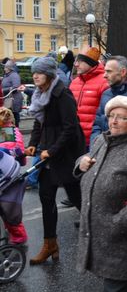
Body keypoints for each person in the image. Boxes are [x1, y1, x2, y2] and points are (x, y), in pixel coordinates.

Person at [75, 96, 127, 291]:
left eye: (121, 117)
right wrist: (81, 163)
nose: (113, 121)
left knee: (119, 282)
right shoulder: (102, 140)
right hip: (101, 233)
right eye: (111, 116)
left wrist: (117, 223)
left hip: (122, 238)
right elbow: (87, 161)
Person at [26, 57, 86, 265]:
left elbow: (70, 129)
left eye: (39, 72)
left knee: (78, 198)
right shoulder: (40, 94)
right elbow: (39, 122)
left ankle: (103, 237)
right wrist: (33, 143)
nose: (35, 75)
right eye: (34, 72)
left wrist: (51, 150)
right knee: (46, 197)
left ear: (50, 75)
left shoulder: (63, 94)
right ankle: (50, 244)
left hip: (66, 154)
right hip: (49, 152)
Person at [69, 47, 109, 148]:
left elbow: (104, 116)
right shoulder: (74, 83)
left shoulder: (104, 83)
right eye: (76, 61)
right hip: (73, 140)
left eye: (80, 61)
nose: (76, 64)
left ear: (90, 63)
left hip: (92, 141)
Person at [0, 107, 27, 246]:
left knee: (9, 207)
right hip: (9, 171)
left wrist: (5, 151)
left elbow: (12, 150)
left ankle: (19, 235)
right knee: (8, 206)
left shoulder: (7, 132)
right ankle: (13, 229)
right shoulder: (11, 130)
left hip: (8, 173)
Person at [1, 60, 23, 127]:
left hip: (14, 100)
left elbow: (16, 87)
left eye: (5, 67)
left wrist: (3, 91)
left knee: (14, 118)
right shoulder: (7, 75)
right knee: (9, 118)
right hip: (9, 99)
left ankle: (16, 134)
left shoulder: (14, 75)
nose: (4, 69)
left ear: (9, 68)